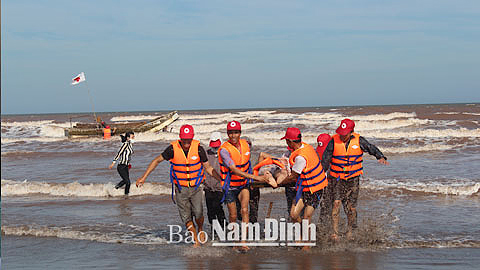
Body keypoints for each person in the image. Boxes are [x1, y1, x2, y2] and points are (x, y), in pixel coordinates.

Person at [135, 125, 223, 247]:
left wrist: (221, 180)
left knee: (198, 213)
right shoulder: (172, 149)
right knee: (186, 217)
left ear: (192, 138)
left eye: (189, 140)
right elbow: (156, 161)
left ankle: (201, 229)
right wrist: (143, 177)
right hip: (181, 189)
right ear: (180, 138)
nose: (187, 143)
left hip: (196, 187)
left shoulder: (198, 149)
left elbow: (208, 167)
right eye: (184, 140)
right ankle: (195, 240)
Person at [322, 119, 389, 241]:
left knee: (351, 207)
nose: (342, 136)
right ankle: (335, 233)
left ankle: (350, 231)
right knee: (336, 203)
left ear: (351, 132)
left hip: (353, 179)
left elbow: (371, 148)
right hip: (337, 178)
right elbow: (326, 158)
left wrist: (380, 156)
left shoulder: (359, 140)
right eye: (341, 133)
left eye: (345, 133)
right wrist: (322, 173)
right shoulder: (333, 141)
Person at [218, 121, 275, 250]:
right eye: (231, 133)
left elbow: (249, 164)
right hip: (230, 187)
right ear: (227, 134)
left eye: (236, 132)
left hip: (243, 185)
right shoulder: (224, 150)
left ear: (240, 133)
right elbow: (234, 169)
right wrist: (256, 178)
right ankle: (234, 241)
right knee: (233, 215)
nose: (233, 135)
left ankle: (243, 241)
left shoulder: (245, 145)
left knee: (245, 210)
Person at [272, 127, 329, 249]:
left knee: (306, 217)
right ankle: (305, 234)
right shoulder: (305, 146)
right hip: (304, 188)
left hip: (315, 189)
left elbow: (293, 177)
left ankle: (306, 245)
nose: (286, 143)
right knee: (293, 215)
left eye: (286, 141)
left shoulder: (300, 158)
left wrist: (279, 184)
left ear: (290, 142)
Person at [204, 131, 226, 225]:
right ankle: (214, 231)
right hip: (208, 187)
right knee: (210, 211)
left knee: (217, 206)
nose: (215, 148)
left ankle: (224, 226)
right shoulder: (206, 153)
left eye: (217, 146)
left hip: (220, 187)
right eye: (213, 146)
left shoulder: (225, 153)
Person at [315, 133, 334, 230]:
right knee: (325, 205)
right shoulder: (317, 153)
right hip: (325, 182)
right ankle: (324, 226)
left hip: (331, 182)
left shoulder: (317, 153)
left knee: (327, 205)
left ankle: (325, 226)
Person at [109, 131, 135, 196]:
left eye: (134, 136)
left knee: (125, 181)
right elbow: (119, 153)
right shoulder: (125, 144)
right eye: (132, 137)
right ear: (128, 138)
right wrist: (113, 162)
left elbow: (128, 156)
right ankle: (126, 195)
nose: (134, 138)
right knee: (128, 182)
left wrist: (128, 164)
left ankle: (115, 189)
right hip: (121, 166)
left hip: (126, 166)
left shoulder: (130, 145)